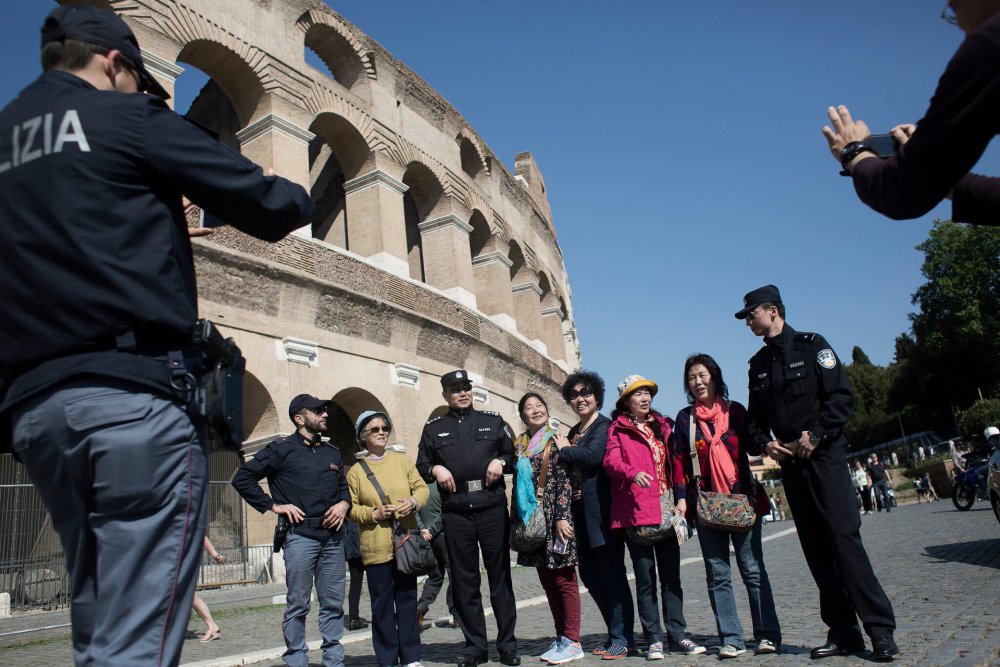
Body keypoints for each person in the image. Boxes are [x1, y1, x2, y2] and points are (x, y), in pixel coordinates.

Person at [0, 6, 315, 665]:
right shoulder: (124, 117)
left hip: (38, 412)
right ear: (113, 62)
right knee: (138, 639)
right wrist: (299, 198)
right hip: (132, 399)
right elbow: (265, 202)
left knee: (98, 620)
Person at [737, 285, 898, 661]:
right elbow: (755, 423)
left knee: (844, 540)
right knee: (816, 550)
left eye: (751, 314)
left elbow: (841, 397)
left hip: (824, 459)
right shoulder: (757, 365)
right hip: (791, 466)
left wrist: (819, 433)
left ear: (772, 310)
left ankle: (880, 631)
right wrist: (765, 444)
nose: (748, 321)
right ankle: (844, 634)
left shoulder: (813, 346)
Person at [822, 3, 1000, 226]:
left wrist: (853, 151)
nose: (961, 27)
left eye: (953, 10)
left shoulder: (990, 45)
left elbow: (900, 194)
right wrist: (930, 170)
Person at [672, 354, 781, 659]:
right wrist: (681, 498)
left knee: (753, 570)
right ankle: (732, 638)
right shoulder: (685, 419)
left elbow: (755, 443)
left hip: (742, 500)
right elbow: (678, 460)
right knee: (718, 575)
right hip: (706, 505)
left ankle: (767, 635)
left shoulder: (736, 413)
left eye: (703, 375)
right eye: (692, 377)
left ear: (715, 377)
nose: (698, 381)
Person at [232, 395, 351, 667]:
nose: (324, 414)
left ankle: (334, 662)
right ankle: (297, 660)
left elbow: (343, 489)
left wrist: (344, 504)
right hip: (300, 537)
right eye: (318, 410)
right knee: (298, 605)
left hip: (333, 539)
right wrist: (273, 506)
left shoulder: (332, 452)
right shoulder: (280, 450)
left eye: (324, 410)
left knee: (333, 604)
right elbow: (243, 478)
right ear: (300, 418)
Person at [416, 370, 519, 667]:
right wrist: (436, 469)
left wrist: (500, 461)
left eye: (466, 388)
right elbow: (422, 462)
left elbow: (512, 455)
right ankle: (475, 647)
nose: (462, 393)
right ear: (445, 394)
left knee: (500, 577)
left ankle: (507, 645)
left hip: (490, 506)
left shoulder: (492, 421)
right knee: (464, 581)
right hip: (456, 510)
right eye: (455, 389)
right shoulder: (434, 428)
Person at [604, 375, 706, 660]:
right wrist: (631, 472)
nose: (644, 397)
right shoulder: (618, 430)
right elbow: (611, 461)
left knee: (672, 578)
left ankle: (678, 635)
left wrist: (682, 497)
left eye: (648, 392)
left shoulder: (663, 426)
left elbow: (678, 463)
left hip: (667, 508)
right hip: (637, 513)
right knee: (646, 579)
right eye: (638, 394)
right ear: (626, 401)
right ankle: (654, 639)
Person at [555, 371, 635, 659]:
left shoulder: (604, 426)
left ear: (597, 396)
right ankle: (614, 632)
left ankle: (623, 637)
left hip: (601, 513)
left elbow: (594, 457)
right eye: (574, 395)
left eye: (586, 392)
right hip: (577, 516)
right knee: (590, 576)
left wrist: (564, 449)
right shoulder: (575, 431)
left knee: (612, 576)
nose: (580, 398)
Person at [346, 410, 429, 667]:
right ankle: (387, 659)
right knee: (381, 607)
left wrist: (413, 503)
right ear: (363, 436)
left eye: (384, 427)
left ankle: (412, 658)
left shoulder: (402, 461)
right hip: (376, 548)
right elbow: (351, 509)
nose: (382, 432)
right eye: (375, 429)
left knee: (406, 602)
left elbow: (422, 488)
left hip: (405, 543)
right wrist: (375, 513)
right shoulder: (356, 473)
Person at [511, 393, 581, 664]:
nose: (535, 410)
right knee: (548, 582)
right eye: (529, 407)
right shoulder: (521, 445)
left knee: (564, 580)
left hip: (555, 519)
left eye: (539, 406)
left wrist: (563, 517)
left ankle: (573, 640)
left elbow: (564, 480)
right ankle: (561, 638)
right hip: (533, 521)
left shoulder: (554, 439)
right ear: (522, 416)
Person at [416, 481, 457, 630]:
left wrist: (423, 530)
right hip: (442, 536)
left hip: (426, 537)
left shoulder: (418, 486)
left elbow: (415, 511)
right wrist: (432, 530)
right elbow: (445, 512)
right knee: (454, 574)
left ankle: (420, 608)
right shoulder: (441, 485)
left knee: (435, 577)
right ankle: (456, 613)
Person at [192, 537, 226, 643]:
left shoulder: (185, 520)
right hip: (177, 561)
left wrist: (215, 555)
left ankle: (213, 627)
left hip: (188, 562)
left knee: (191, 597)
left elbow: (201, 536)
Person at [344, 517, 369, 631]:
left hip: (351, 540)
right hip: (365, 540)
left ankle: (353, 619)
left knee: (355, 582)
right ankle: (382, 616)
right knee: (376, 580)